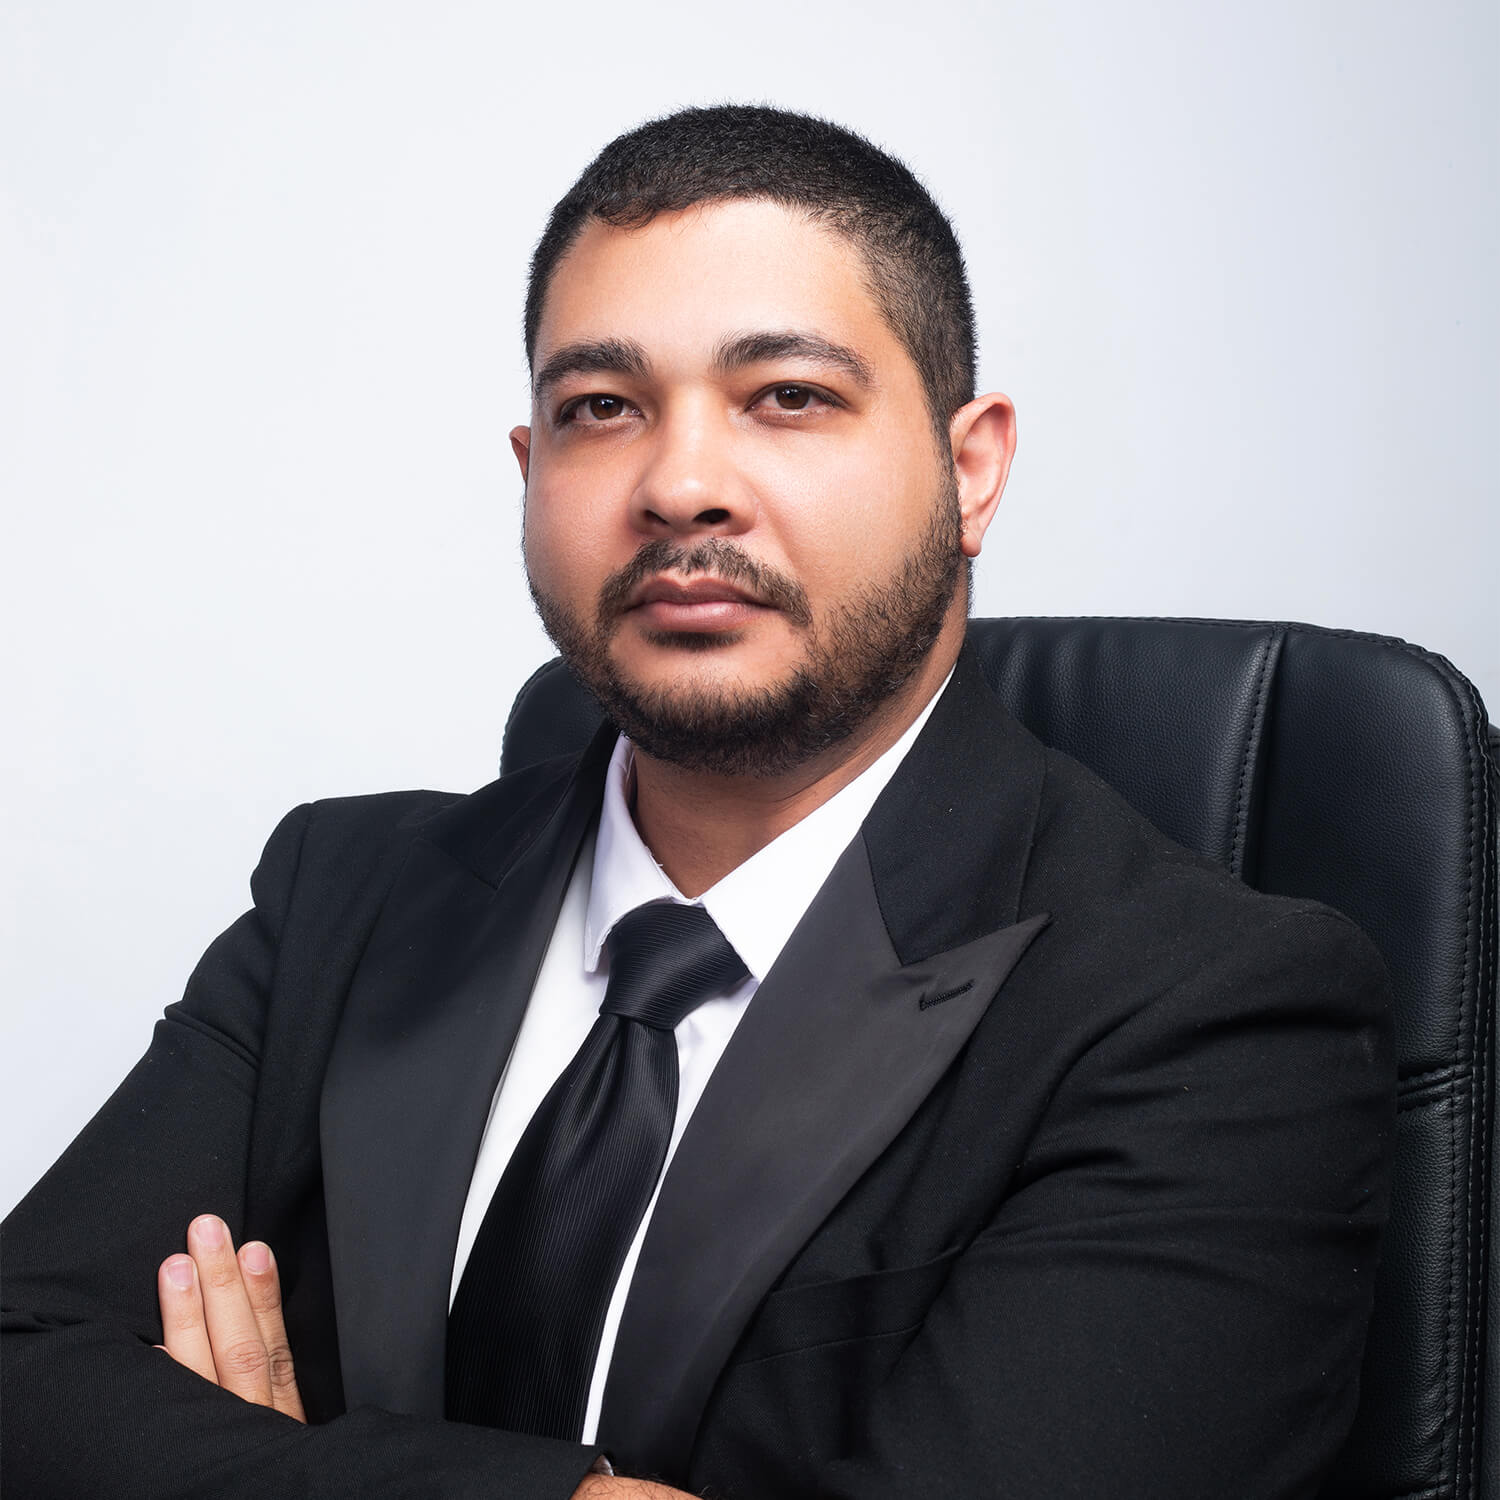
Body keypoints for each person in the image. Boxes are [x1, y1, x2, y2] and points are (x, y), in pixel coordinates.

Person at [2, 105, 1394, 1499]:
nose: (679, 486)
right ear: (532, 473)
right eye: (601, 409)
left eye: (787, 395)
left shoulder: (1210, 1015)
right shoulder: (343, 896)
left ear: (970, 470)